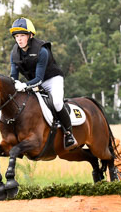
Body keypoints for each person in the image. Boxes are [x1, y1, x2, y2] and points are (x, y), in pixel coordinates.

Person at [9, 17, 78, 150]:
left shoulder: (42, 51)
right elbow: (13, 76)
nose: (19, 39)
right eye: (17, 36)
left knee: (57, 102)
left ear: (30, 35)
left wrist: (23, 85)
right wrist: (14, 83)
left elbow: (39, 79)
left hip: (51, 80)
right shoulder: (14, 53)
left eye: (22, 35)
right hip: (32, 82)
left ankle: (69, 133)